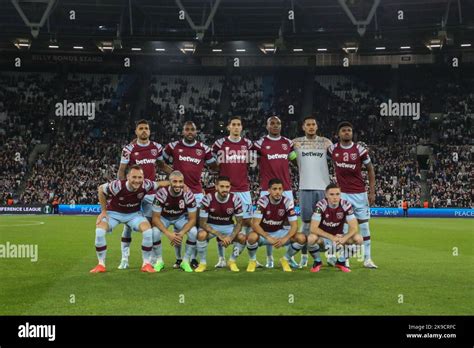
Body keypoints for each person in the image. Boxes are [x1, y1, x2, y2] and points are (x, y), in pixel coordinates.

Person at [90, 165, 169, 273]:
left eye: (140, 177)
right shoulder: (117, 186)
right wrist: (103, 211)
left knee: (148, 231)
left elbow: (160, 184)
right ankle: (101, 264)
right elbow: (101, 189)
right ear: (127, 177)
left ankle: (146, 264)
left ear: (143, 177)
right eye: (134, 177)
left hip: (133, 215)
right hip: (114, 213)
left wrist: (175, 183)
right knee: (99, 231)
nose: (137, 180)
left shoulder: (146, 184)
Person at [117, 119, 172, 270]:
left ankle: (153, 259)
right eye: (140, 128)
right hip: (133, 193)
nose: (144, 131)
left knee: (152, 225)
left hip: (151, 193)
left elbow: (162, 165)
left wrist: (175, 175)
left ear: (150, 131)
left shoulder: (157, 147)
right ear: (136, 131)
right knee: (128, 226)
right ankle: (124, 258)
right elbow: (122, 170)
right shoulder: (128, 149)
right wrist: (123, 189)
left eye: (146, 128)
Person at [327, 121, 377, 269]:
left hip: (359, 194)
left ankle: (368, 258)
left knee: (364, 226)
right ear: (338, 134)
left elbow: (370, 169)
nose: (347, 132)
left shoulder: (360, 150)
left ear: (352, 133)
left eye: (349, 130)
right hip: (342, 195)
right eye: (344, 130)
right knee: (341, 228)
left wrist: (372, 191)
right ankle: (343, 258)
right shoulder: (332, 149)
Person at [212, 116, 254, 268]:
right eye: (233, 125)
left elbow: (252, 162)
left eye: (239, 125)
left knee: (248, 223)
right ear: (229, 127)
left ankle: (238, 258)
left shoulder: (248, 144)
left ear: (242, 128)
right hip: (225, 190)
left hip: (243, 189)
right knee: (221, 223)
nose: (236, 127)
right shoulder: (219, 144)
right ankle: (221, 259)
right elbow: (212, 162)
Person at [292, 115, 332, 268]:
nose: (310, 127)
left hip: (323, 188)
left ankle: (330, 255)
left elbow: (337, 156)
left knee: (327, 224)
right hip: (305, 187)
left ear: (317, 126)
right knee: (306, 225)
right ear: (303, 127)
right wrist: (299, 165)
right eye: (308, 124)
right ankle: (304, 257)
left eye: (313, 124)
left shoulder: (326, 142)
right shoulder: (296, 143)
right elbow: (289, 157)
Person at [245, 178, 306, 272]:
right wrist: (268, 237)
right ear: (269, 190)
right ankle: (252, 260)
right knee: (251, 237)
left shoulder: (287, 202)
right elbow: (255, 224)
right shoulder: (262, 201)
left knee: (301, 238)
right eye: (274, 189)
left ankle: (285, 259)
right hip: (264, 234)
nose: (277, 192)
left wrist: (285, 238)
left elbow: (294, 226)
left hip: (279, 233)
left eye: (280, 189)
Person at [307, 183, 362, 273]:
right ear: (326, 195)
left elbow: (354, 227)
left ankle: (341, 261)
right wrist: (331, 237)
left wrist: (345, 238)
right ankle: (317, 261)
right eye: (332, 194)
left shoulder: (346, 205)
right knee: (311, 238)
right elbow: (313, 228)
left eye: (337, 194)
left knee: (359, 239)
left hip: (339, 240)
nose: (335, 197)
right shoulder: (321, 205)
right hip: (324, 241)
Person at [195, 176, 246, 272]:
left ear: (230, 187)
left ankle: (232, 261)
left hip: (228, 227)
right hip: (211, 226)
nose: (225, 189)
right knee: (201, 235)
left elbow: (239, 223)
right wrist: (220, 235)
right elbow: (202, 223)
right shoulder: (207, 198)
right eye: (222, 186)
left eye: (227, 187)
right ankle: (202, 263)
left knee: (242, 237)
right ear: (216, 187)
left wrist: (230, 238)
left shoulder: (236, 199)